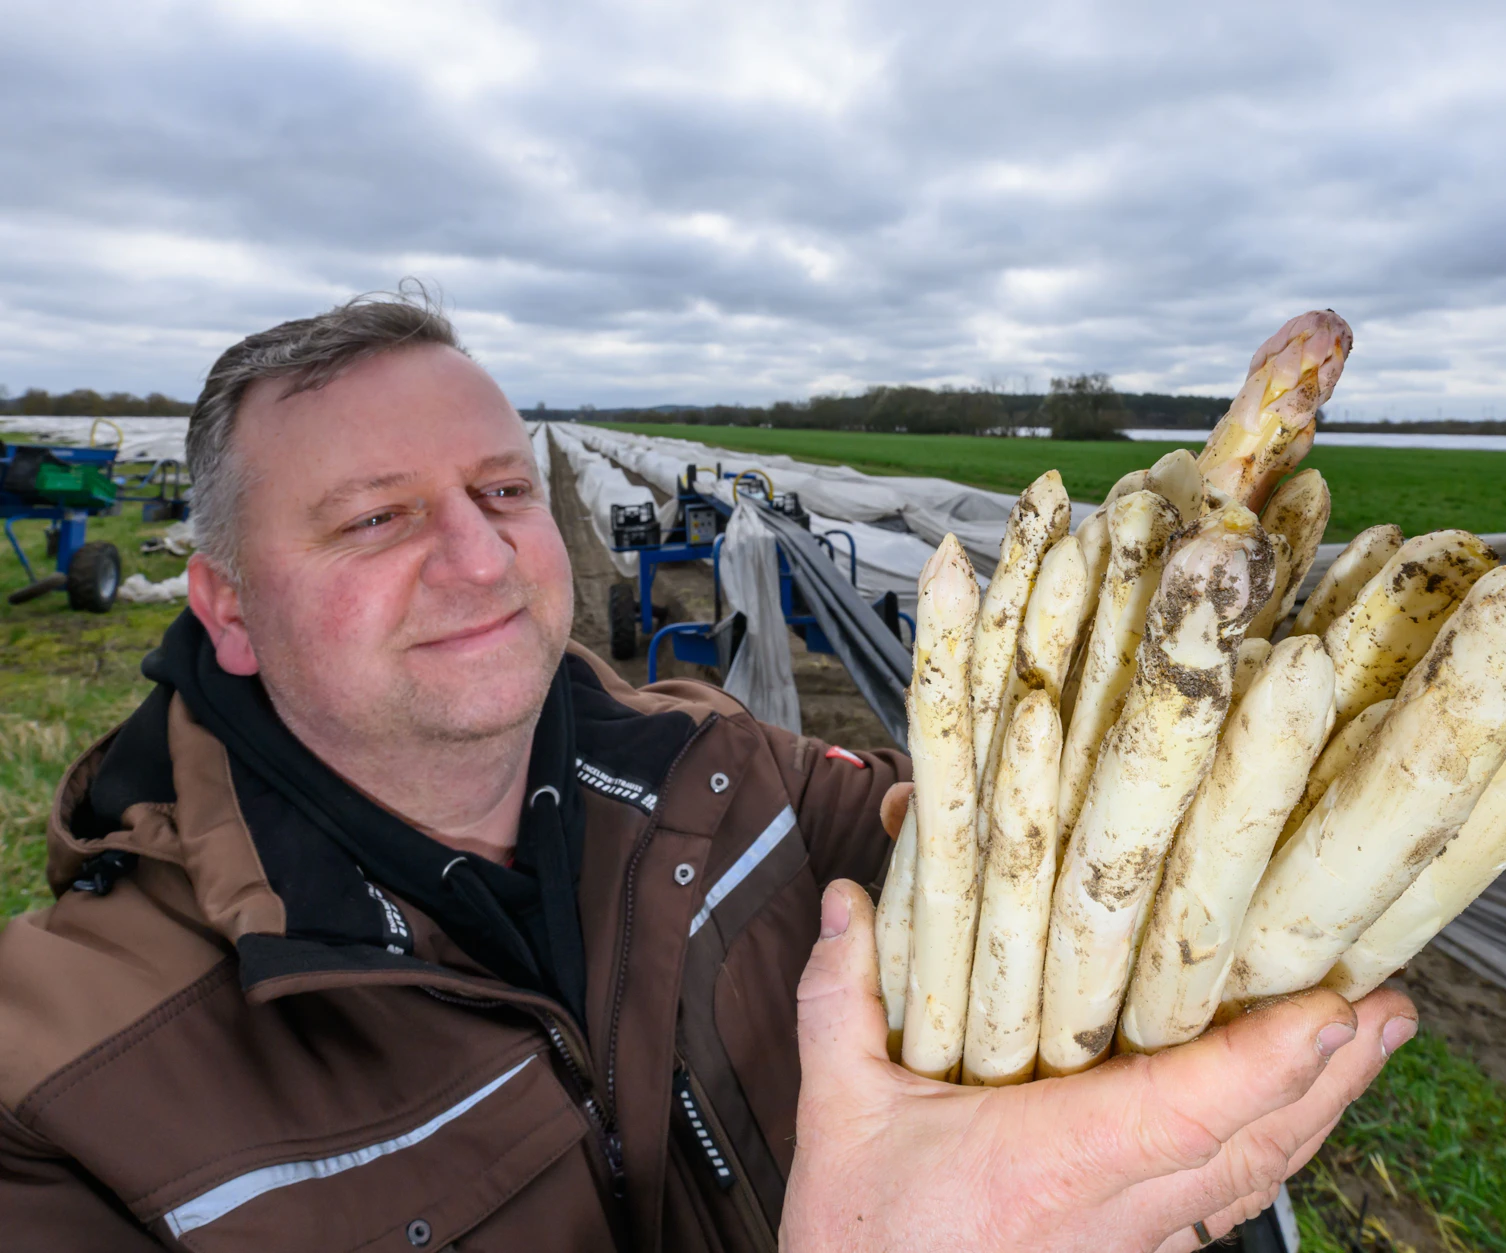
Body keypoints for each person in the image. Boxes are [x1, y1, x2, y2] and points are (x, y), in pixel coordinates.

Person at [0, 292, 1416, 1251]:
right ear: (226, 606)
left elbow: (994, 860)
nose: (485, 559)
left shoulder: (729, 772)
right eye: (377, 520)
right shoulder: (62, 1096)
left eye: (505, 490)